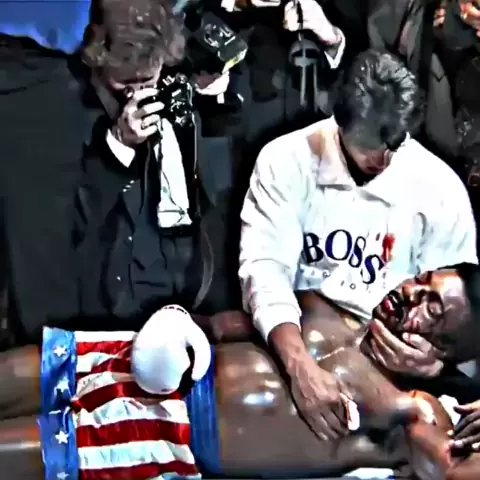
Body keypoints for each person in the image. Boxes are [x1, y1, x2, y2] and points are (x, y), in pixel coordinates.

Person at [2, 263, 480, 480]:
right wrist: (175, 322)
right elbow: (223, 324)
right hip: (149, 361)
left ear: (446, 348)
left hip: (163, 434)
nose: (411, 294)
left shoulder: (411, 409)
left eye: (432, 308)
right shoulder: (330, 305)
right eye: (422, 281)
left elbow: (453, 471)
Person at [239, 48, 478, 441]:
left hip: (388, 374)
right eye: (370, 148)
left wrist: (434, 365)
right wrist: (300, 368)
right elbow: (265, 273)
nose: (382, 160)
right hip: (297, 342)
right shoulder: (285, 159)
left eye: (393, 145)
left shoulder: (441, 190)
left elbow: (460, 314)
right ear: (339, 121)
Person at [0, 0, 235, 343]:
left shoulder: (177, 89)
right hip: (98, 320)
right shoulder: (54, 117)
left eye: (147, 80)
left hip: (179, 307)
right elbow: (63, 230)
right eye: (124, 84)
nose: (137, 94)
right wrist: (118, 146)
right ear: (95, 62)